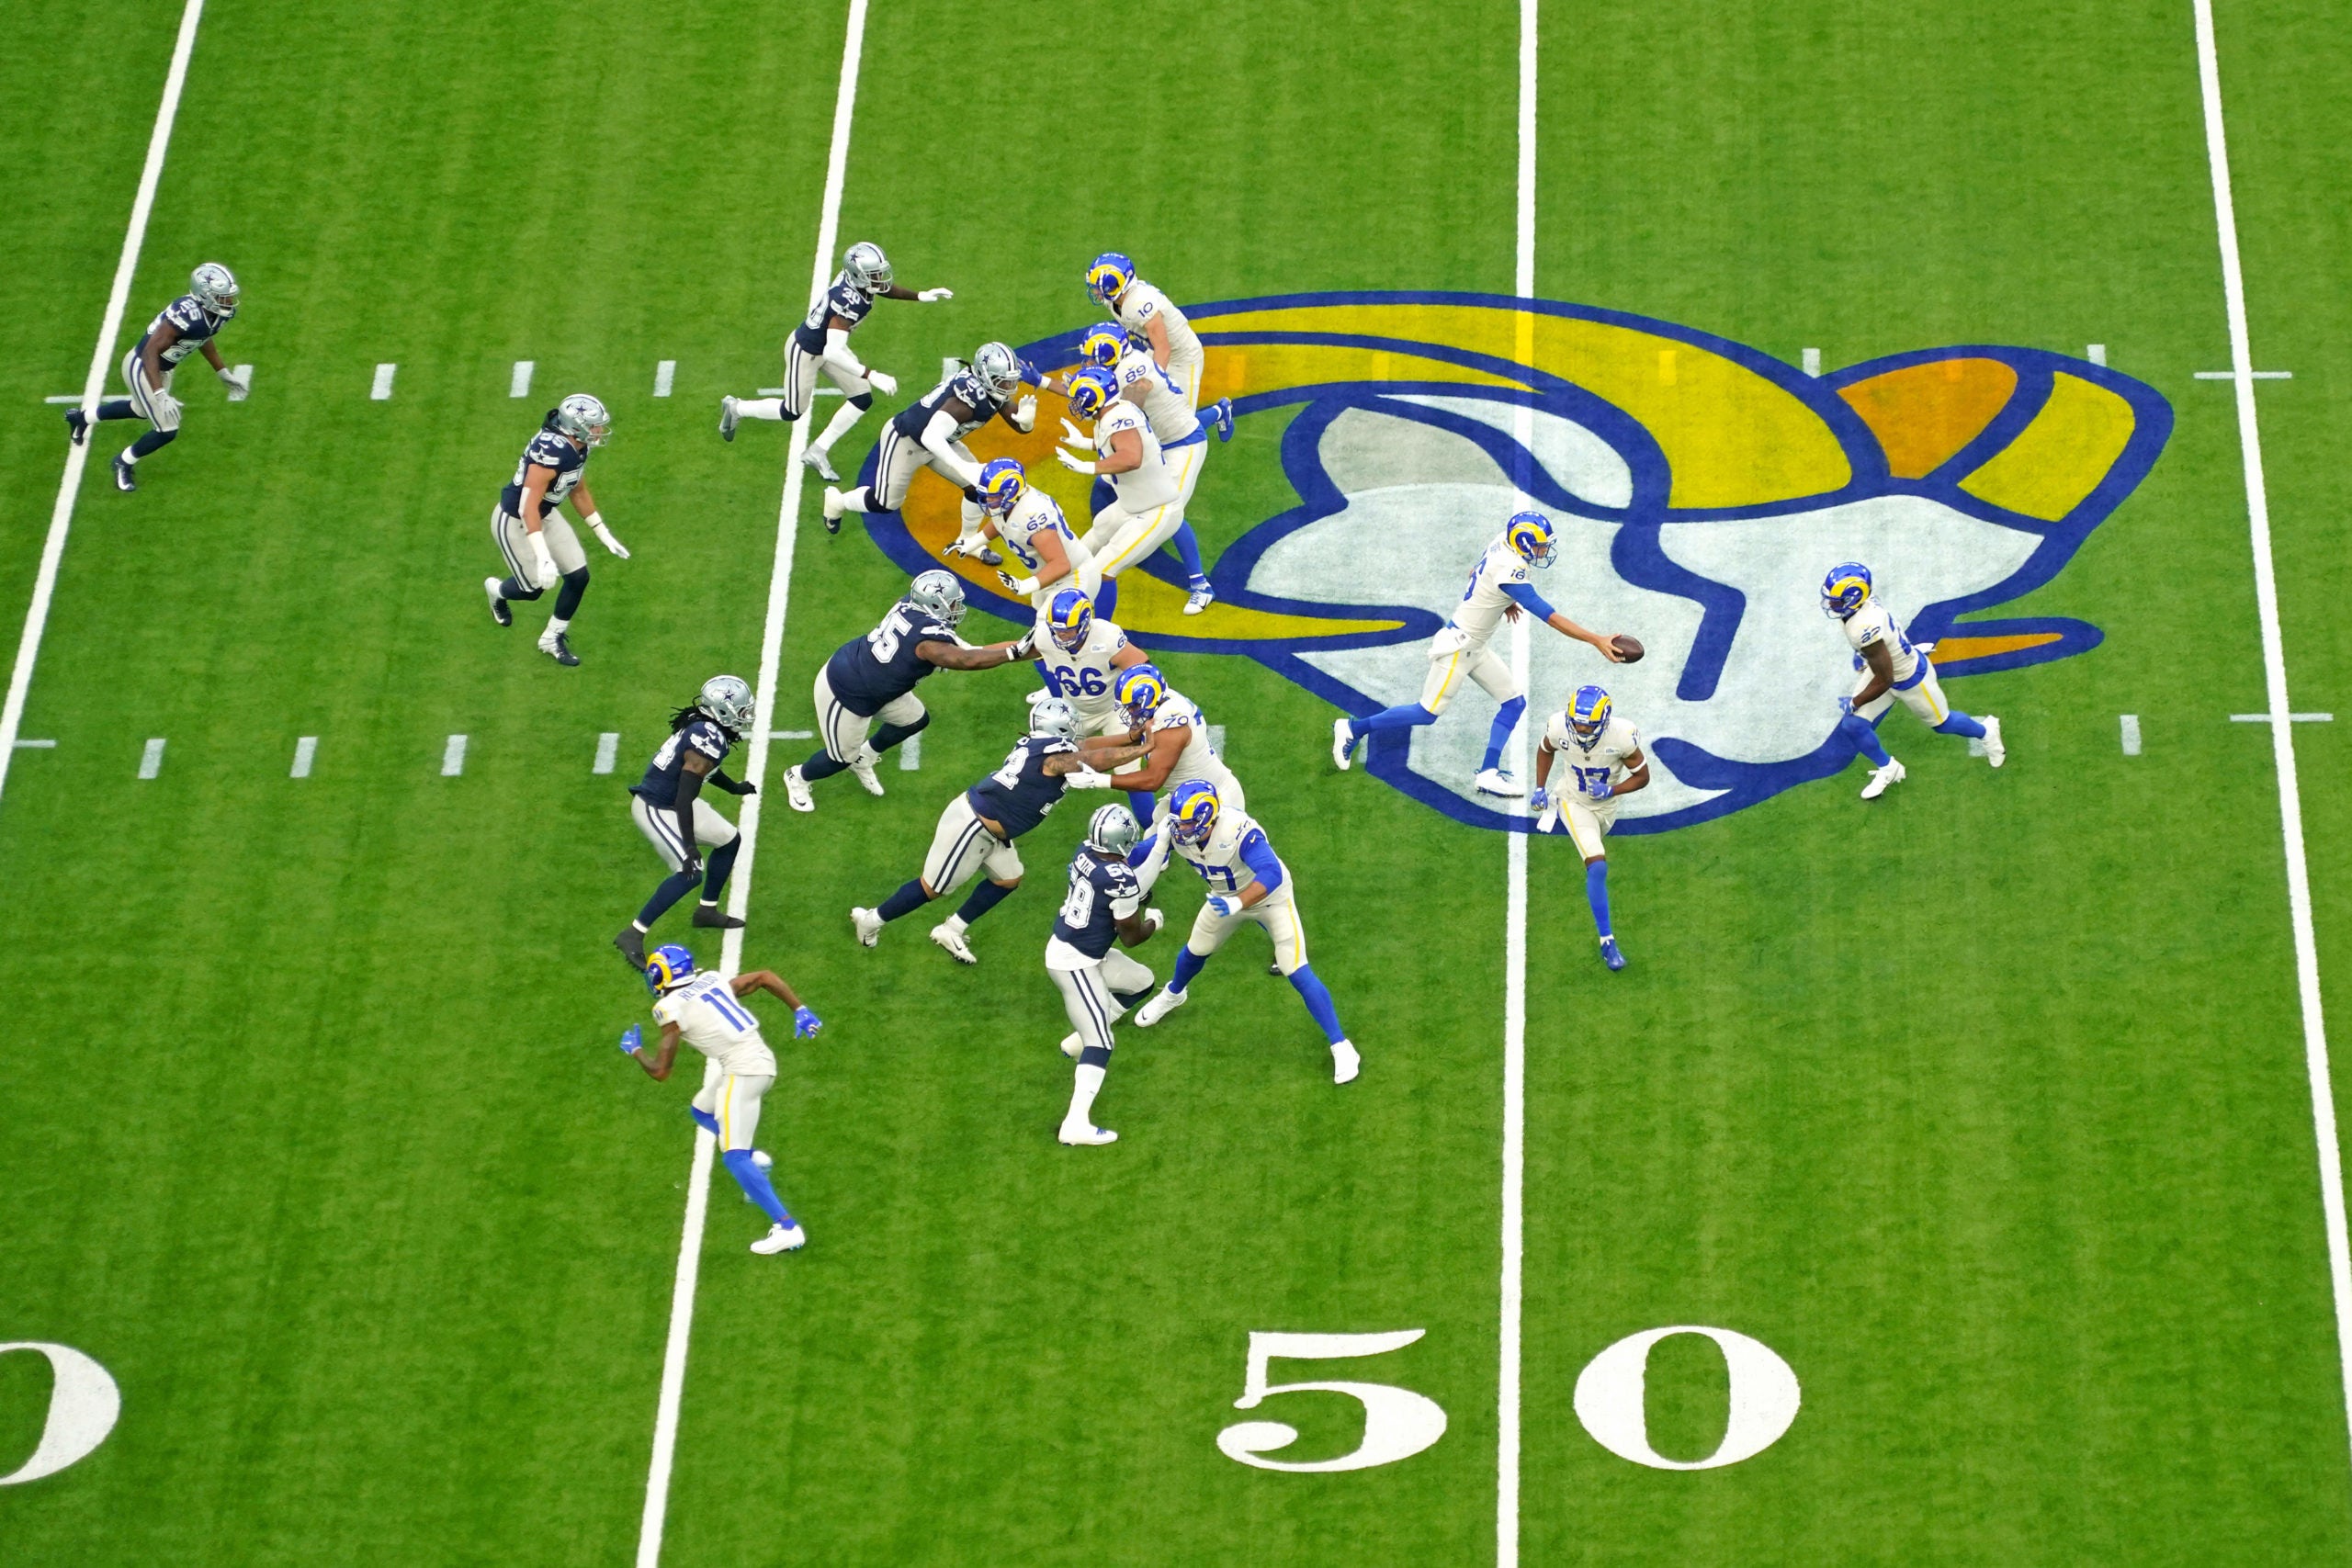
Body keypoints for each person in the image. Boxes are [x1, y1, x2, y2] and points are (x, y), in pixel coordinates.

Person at [1331, 510, 1622, 795]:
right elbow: (1551, 617)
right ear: (1522, 543)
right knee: (1426, 712)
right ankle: (1353, 728)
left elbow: (1477, 572)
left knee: (1513, 702)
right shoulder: (1512, 570)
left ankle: (1487, 773)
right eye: (1539, 545)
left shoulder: (1501, 543)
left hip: (1475, 645)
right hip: (1459, 647)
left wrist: (1503, 597)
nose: (1544, 550)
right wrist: (1596, 639)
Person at [849, 698, 1148, 964]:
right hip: (973, 825)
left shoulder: (1039, 745)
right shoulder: (1054, 758)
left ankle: (952, 929)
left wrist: (1129, 738)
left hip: (991, 827)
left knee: (1008, 879)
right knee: (931, 888)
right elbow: (1089, 759)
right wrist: (1144, 748)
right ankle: (872, 920)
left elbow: (1085, 748)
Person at [1129, 780, 1360, 1085]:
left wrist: (1238, 903)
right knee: (1195, 950)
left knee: (1295, 967)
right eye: (1179, 823)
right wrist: (1111, 863)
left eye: (1187, 824)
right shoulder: (1179, 830)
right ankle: (1174, 994)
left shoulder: (1238, 830)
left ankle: (1341, 1046)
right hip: (1223, 897)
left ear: (1207, 817)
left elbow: (1272, 873)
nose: (1181, 830)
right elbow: (1143, 853)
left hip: (1269, 899)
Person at [620, 944, 821, 1256]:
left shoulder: (669, 1008)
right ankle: (757, 1161)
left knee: (733, 1156)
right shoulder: (711, 980)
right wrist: (800, 1009)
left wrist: (636, 1051)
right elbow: (765, 977)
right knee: (702, 1109)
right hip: (754, 1059)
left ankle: (787, 1228)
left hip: (743, 1070)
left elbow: (661, 1071)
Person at [778, 570, 1030, 813]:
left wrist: (1032, 646)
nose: (956, 609)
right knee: (839, 757)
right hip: (846, 690)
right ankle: (798, 777)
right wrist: (1012, 652)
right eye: (952, 604)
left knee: (915, 720)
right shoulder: (929, 642)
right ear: (934, 604)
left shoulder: (909, 605)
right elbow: (968, 660)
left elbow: (971, 652)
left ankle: (864, 758)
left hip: (877, 684)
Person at [718, 240, 953, 480]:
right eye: (874, 274)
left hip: (830, 346)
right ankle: (736, 408)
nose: (881, 279)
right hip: (808, 351)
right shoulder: (847, 300)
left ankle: (817, 451)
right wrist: (873, 375)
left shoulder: (857, 282)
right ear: (859, 277)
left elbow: (880, 288)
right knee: (791, 411)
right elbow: (832, 352)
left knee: (861, 398)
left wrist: (920, 296)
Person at [820, 343, 1035, 550]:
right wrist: (962, 466)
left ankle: (967, 542)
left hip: (942, 441)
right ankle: (838, 501)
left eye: (1011, 381)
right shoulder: (967, 399)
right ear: (985, 377)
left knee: (979, 487)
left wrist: (1026, 421)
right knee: (885, 503)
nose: (1009, 387)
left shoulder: (991, 391)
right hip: (909, 439)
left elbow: (1020, 426)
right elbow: (931, 436)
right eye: (1003, 382)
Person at [1822, 561, 2005, 799]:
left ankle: (1986, 732)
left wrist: (1855, 701)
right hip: (1885, 669)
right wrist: (1866, 658)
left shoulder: (1863, 626)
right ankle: (1889, 768)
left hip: (1908, 678)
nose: (1830, 605)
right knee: (1853, 725)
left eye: (1836, 601)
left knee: (1943, 724)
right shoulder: (1859, 611)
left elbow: (1885, 679)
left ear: (1854, 598)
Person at [1046, 803, 1169, 1145]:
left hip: (1079, 947)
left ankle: (1076, 1041)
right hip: (1075, 962)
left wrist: (1160, 845)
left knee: (1141, 982)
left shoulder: (1085, 850)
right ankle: (1075, 1124)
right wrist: (1153, 923)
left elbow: (1130, 883)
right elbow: (1131, 937)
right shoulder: (1119, 879)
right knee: (1102, 1042)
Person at [616, 675, 758, 968]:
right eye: (741, 710)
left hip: (674, 801)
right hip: (657, 807)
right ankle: (633, 934)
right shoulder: (708, 738)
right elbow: (684, 796)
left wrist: (734, 787)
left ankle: (706, 911)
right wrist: (690, 847)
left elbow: (702, 770)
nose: (746, 716)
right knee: (690, 871)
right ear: (722, 711)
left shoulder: (702, 727)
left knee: (729, 839)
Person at [67, 262, 249, 491]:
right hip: (143, 365)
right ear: (205, 295)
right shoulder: (187, 313)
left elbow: (203, 337)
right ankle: (123, 461)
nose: (229, 302)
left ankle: (81, 418)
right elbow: (150, 351)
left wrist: (222, 372)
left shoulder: (217, 315)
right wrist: (159, 392)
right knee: (167, 429)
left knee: (141, 410)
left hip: (163, 367)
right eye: (222, 297)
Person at [482, 394, 629, 667]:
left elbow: (577, 487)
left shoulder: (577, 445)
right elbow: (527, 509)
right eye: (594, 426)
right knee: (533, 589)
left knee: (578, 576)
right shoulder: (549, 452)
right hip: (515, 520)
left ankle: (552, 638)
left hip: (544, 514)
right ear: (576, 426)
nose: (599, 431)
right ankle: (496, 590)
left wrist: (602, 532)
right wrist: (544, 557)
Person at [1532, 684, 1649, 971]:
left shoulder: (1621, 736)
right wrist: (1539, 787)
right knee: (1597, 865)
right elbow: (1546, 748)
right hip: (1573, 802)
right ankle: (1607, 941)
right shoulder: (1560, 726)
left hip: (1606, 809)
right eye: (1577, 724)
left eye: (1587, 726)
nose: (1581, 731)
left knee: (1598, 844)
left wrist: (1613, 791)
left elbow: (1643, 776)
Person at [1107, 662, 1243, 827]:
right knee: (1151, 846)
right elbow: (1124, 741)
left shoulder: (1170, 723)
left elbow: (1152, 780)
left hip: (1214, 800)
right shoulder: (1162, 701)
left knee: (1202, 851)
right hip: (1188, 797)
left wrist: (1100, 780)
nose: (1130, 711)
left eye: (1134, 706)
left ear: (1149, 699)